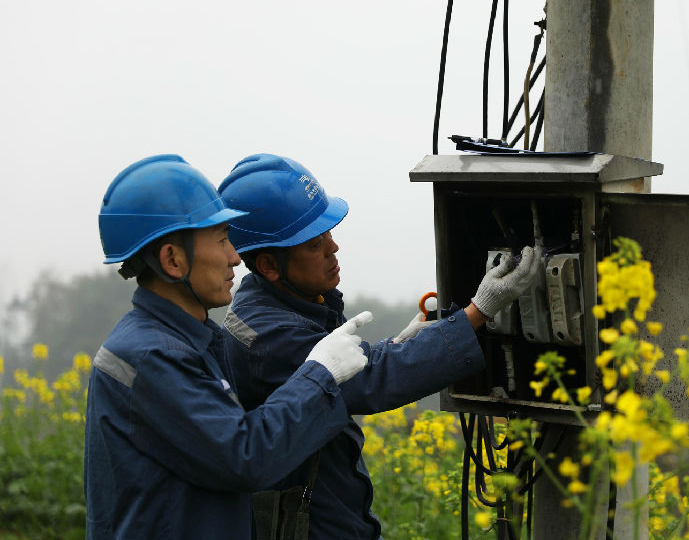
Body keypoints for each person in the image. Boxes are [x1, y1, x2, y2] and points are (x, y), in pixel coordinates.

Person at [217, 153, 540, 540]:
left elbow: (354, 367)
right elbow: (368, 381)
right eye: (315, 243)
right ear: (269, 266)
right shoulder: (267, 336)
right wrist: (479, 311)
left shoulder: (283, 303)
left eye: (329, 233)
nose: (333, 248)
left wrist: (401, 344)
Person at [85, 155, 375, 539]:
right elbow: (245, 457)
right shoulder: (153, 356)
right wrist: (319, 374)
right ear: (172, 260)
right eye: (222, 239)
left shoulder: (186, 340)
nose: (235, 258)